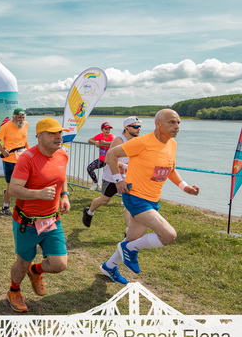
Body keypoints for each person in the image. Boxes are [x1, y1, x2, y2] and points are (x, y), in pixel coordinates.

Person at [100, 109, 199, 285]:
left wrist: (185, 187)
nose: (177, 126)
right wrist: (118, 180)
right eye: (172, 122)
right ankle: (129, 249)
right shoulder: (142, 142)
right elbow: (111, 155)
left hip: (153, 198)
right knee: (168, 235)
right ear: (158, 124)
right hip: (135, 196)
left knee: (132, 238)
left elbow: (171, 170)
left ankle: (109, 266)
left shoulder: (172, 144)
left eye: (178, 122)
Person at [5, 118, 70, 313]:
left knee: (59, 264)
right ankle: (14, 290)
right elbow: (13, 189)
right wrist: (38, 194)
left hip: (52, 220)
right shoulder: (27, 158)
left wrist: (64, 195)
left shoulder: (62, 155)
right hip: (27, 222)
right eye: (52, 133)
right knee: (23, 262)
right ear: (39, 136)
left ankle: (36, 270)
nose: (58, 137)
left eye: (59, 133)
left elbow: (62, 177)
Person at [82, 116, 142, 228]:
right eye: (135, 126)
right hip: (112, 177)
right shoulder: (119, 140)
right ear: (126, 128)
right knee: (104, 200)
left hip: (128, 177)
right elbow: (108, 159)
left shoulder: (137, 141)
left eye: (139, 126)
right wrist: (125, 166)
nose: (138, 129)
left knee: (129, 205)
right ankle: (89, 212)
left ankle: (128, 233)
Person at [0, 108, 29, 216]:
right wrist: (3, 151)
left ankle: (22, 207)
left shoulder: (26, 124)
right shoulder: (6, 126)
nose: (21, 119)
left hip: (22, 159)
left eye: (23, 117)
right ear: (14, 117)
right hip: (10, 159)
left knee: (24, 183)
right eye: (19, 117)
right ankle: (5, 206)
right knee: (10, 185)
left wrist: (30, 153)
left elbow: (25, 140)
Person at [87, 122, 114, 191]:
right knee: (89, 168)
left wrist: (105, 143)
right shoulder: (100, 135)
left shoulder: (112, 136)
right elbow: (90, 140)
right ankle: (95, 183)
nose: (108, 131)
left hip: (110, 161)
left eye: (109, 129)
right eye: (106, 129)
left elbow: (114, 142)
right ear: (102, 130)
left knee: (111, 176)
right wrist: (95, 142)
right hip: (101, 160)